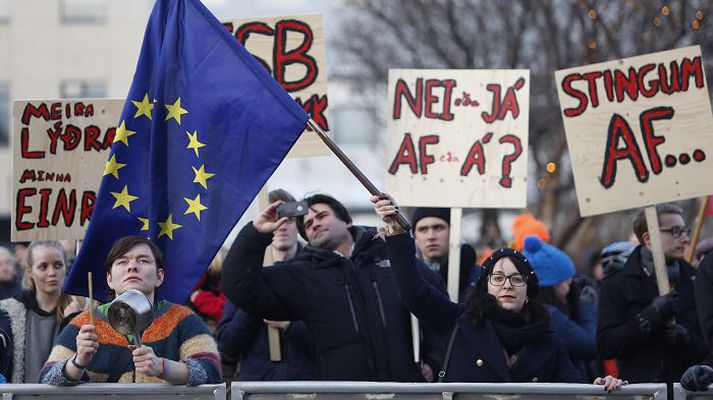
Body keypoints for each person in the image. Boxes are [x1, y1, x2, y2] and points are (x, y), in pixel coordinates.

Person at [371, 195, 624, 390]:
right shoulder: (460, 323)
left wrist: (603, 387)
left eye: (517, 279)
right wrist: (397, 232)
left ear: (528, 291)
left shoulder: (548, 339)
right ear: (485, 286)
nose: (507, 285)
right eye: (498, 277)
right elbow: (413, 291)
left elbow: (575, 392)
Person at [222, 193, 447, 381]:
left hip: (404, 391)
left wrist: (435, 362)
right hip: (343, 394)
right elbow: (241, 286)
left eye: (322, 216)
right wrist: (255, 234)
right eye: (308, 225)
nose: (315, 224)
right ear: (308, 239)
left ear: (347, 221)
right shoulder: (302, 274)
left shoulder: (390, 258)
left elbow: (437, 305)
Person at [40, 236, 221, 386]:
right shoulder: (84, 323)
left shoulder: (183, 319)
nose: (132, 267)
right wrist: (77, 362)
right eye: (122, 261)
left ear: (159, 276)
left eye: (143, 260)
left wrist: (161, 367)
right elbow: (48, 379)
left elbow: (210, 371)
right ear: (109, 279)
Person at [597, 204, 706, 385]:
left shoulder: (696, 280)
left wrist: (687, 339)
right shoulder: (617, 284)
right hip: (642, 391)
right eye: (675, 231)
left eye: (685, 231)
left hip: (689, 391)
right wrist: (650, 317)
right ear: (649, 238)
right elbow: (607, 346)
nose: (686, 239)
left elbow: (708, 345)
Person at [218, 189, 313, 381]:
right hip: (258, 385)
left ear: (299, 225)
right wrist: (256, 302)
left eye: (289, 219)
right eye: (275, 220)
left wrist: (290, 325)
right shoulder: (244, 275)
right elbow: (227, 345)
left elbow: (335, 338)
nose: (282, 226)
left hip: (306, 385)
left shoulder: (315, 269)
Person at [522, 235, 597, 382]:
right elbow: (590, 345)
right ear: (550, 284)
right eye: (566, 280)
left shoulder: (543, 310)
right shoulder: (549, 315)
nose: (571, 283)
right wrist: (585, 303)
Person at [0, 241, 70, 383]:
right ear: (30, 271)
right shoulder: (7, 315)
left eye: (58, 265)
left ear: (66, 267)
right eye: (43, 266)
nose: (52, 273)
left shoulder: (82, 312)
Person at [411, 207, 478, 302]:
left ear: (453, 232)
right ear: (415, 237)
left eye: (438, 228)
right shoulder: (403, 277)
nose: (431, 236)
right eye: (423, 229)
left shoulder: (479, 277)